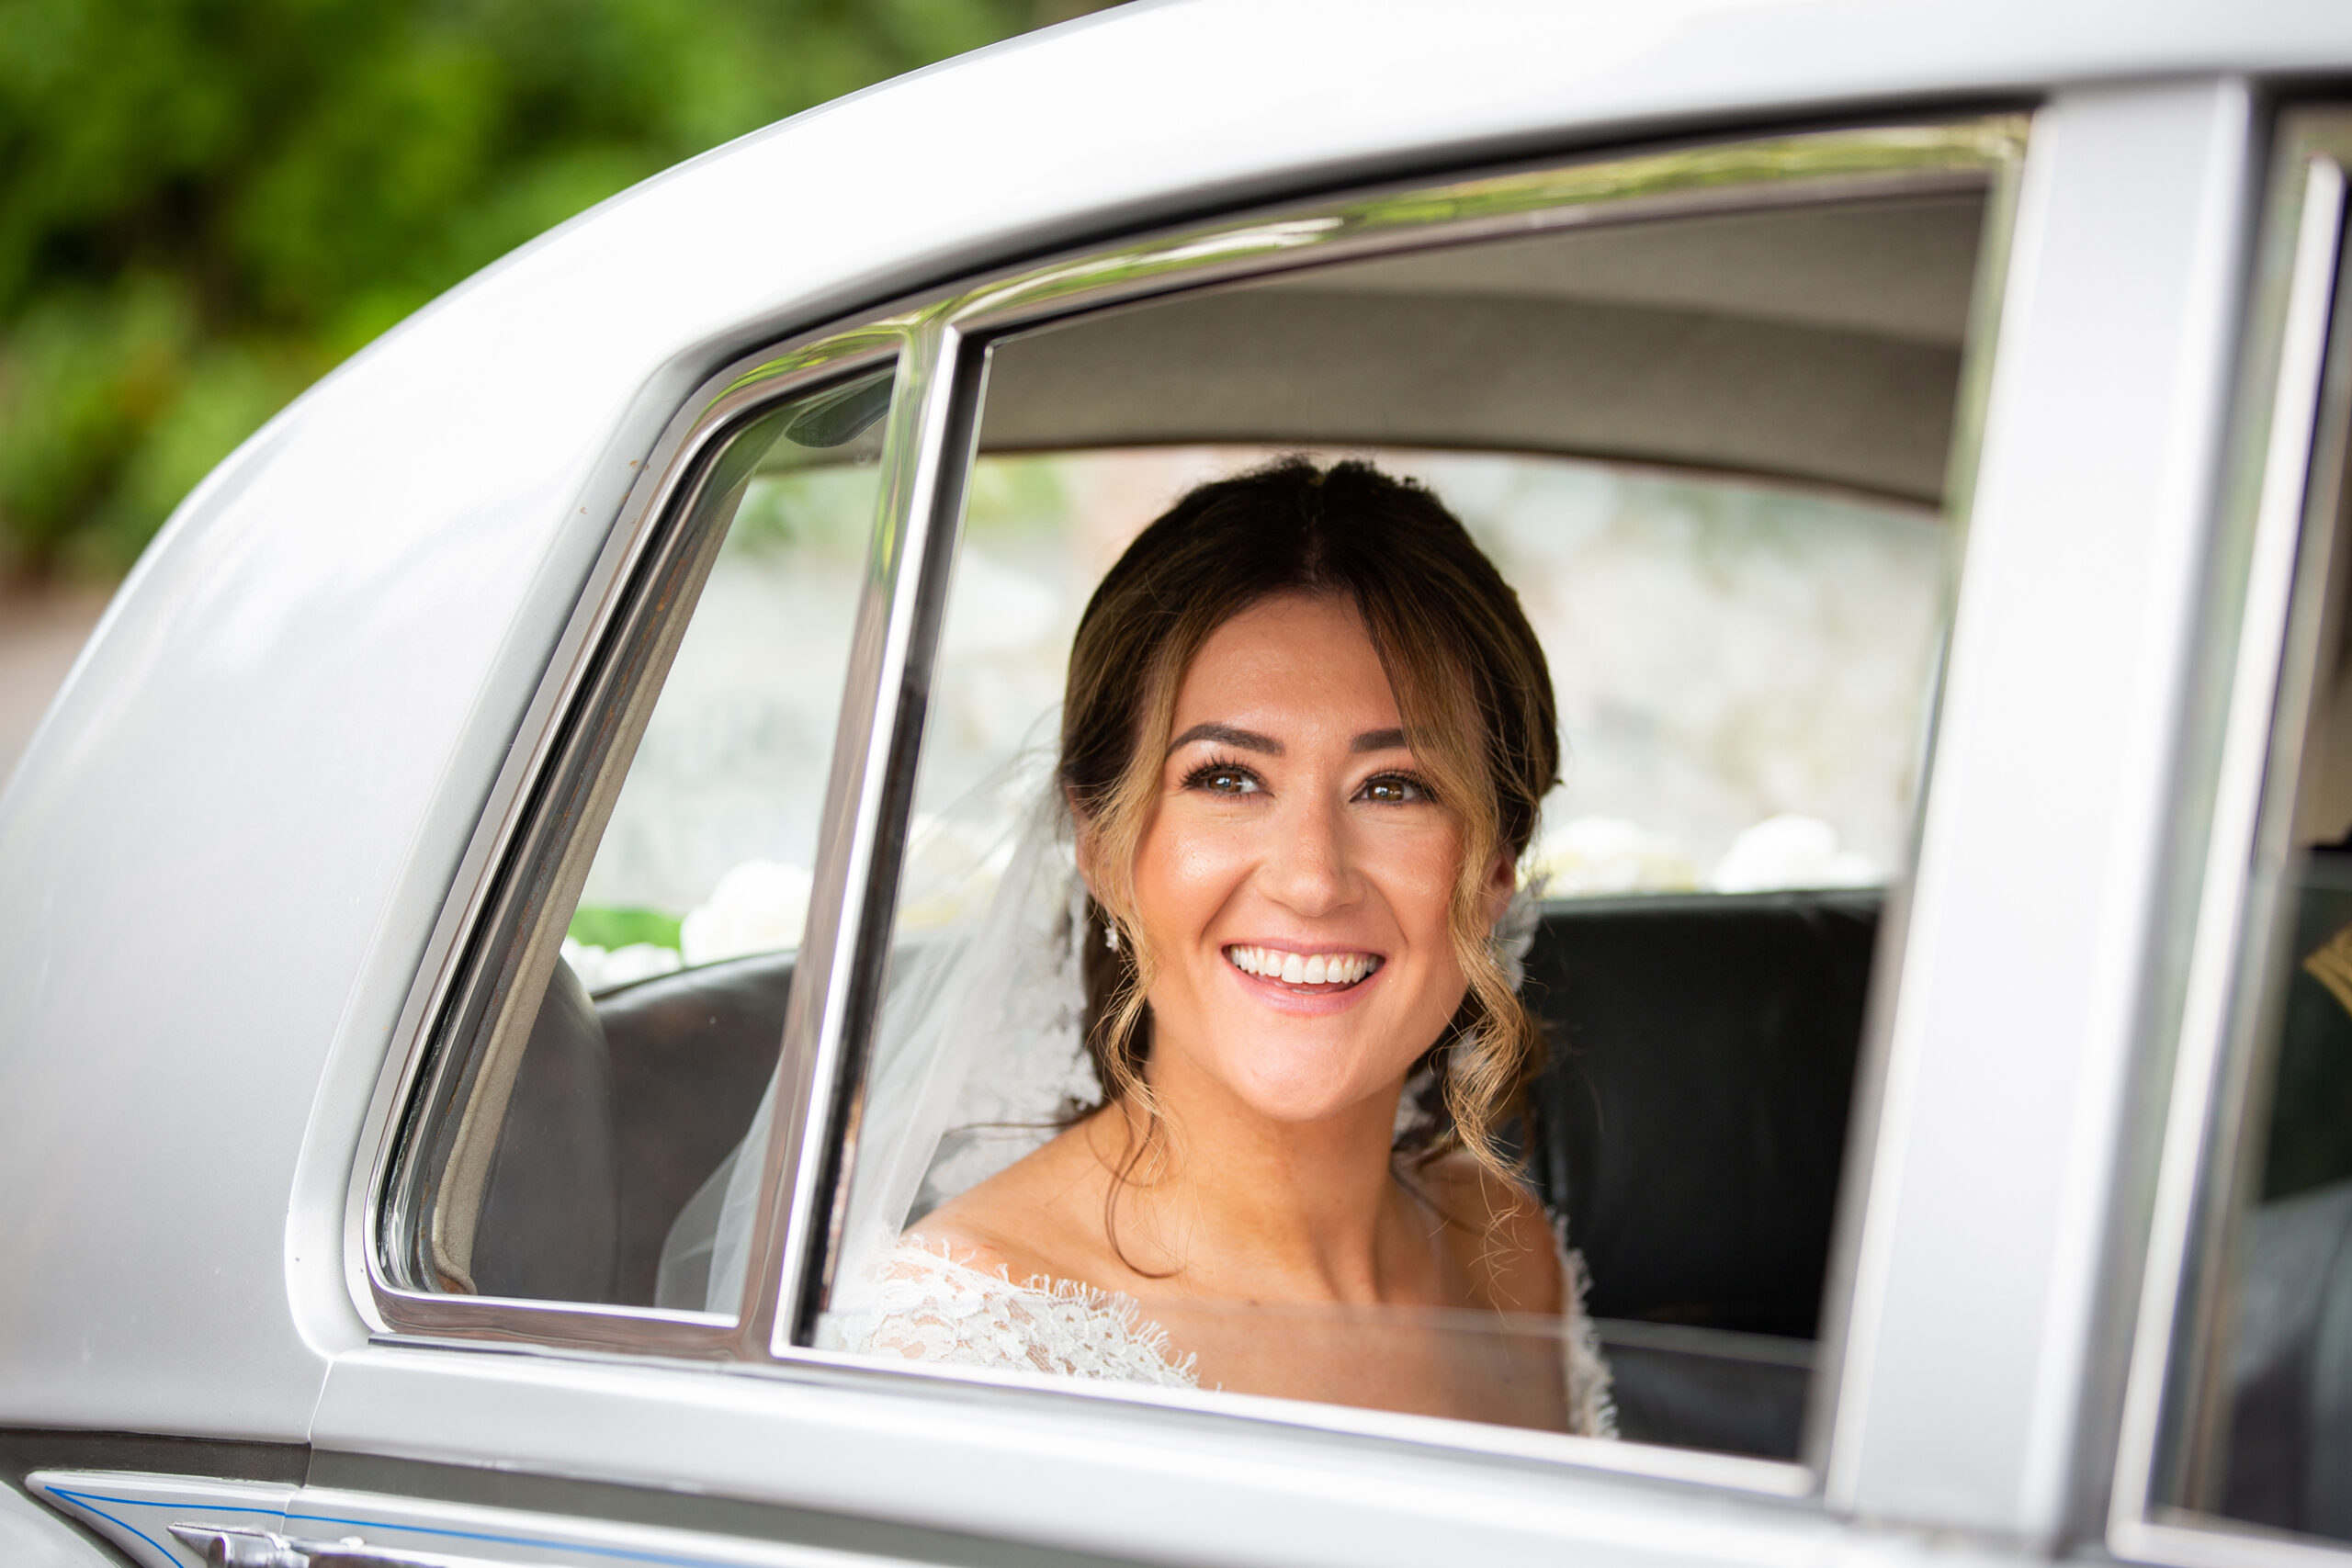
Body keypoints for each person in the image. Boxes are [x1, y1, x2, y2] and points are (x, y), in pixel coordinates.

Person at [821, 458, 1613, 1437]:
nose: (1312, 879)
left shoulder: (1509, 1265)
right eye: (1228, 779)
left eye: (1396, 787)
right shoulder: (964, 1343)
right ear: (1104, 846)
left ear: (1495, 868)